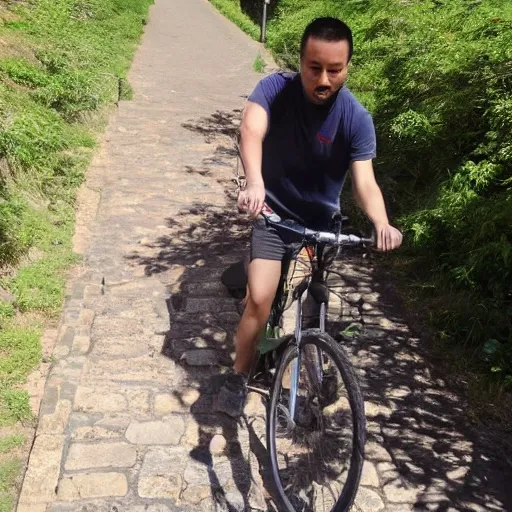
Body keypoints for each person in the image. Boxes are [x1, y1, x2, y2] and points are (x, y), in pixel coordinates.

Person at [215, 17, 403, 418]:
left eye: (334, 70)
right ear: (300, 61)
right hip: (274, 215)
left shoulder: (356, 118)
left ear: (348, 67)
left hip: (319, 229)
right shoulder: (274, 89)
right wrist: (254, 182)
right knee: (261, 301)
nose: (323, 79)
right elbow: (251, 129)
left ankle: (302, 368)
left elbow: (364, 183)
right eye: (314, 67)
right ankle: (239, 373)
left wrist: (382, 222)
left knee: (309, 308)